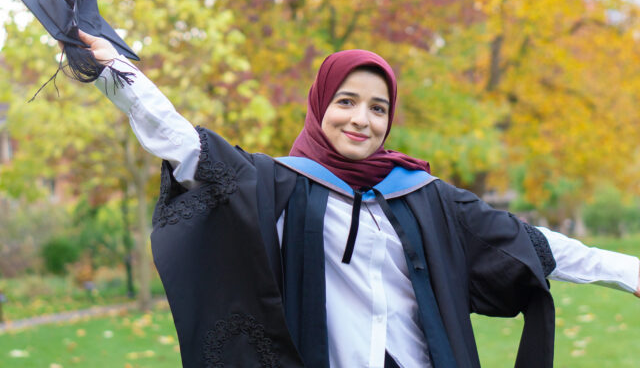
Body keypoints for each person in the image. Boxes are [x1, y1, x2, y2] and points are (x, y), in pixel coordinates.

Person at [77, 30, 639, 368]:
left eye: (378, 108)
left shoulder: (423, 195)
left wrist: (628, 270)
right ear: (321, 104)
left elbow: (531, 244)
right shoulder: (280, 184)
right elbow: (186, 144)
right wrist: (113, 71)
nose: (362, 119)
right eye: (347, 101)